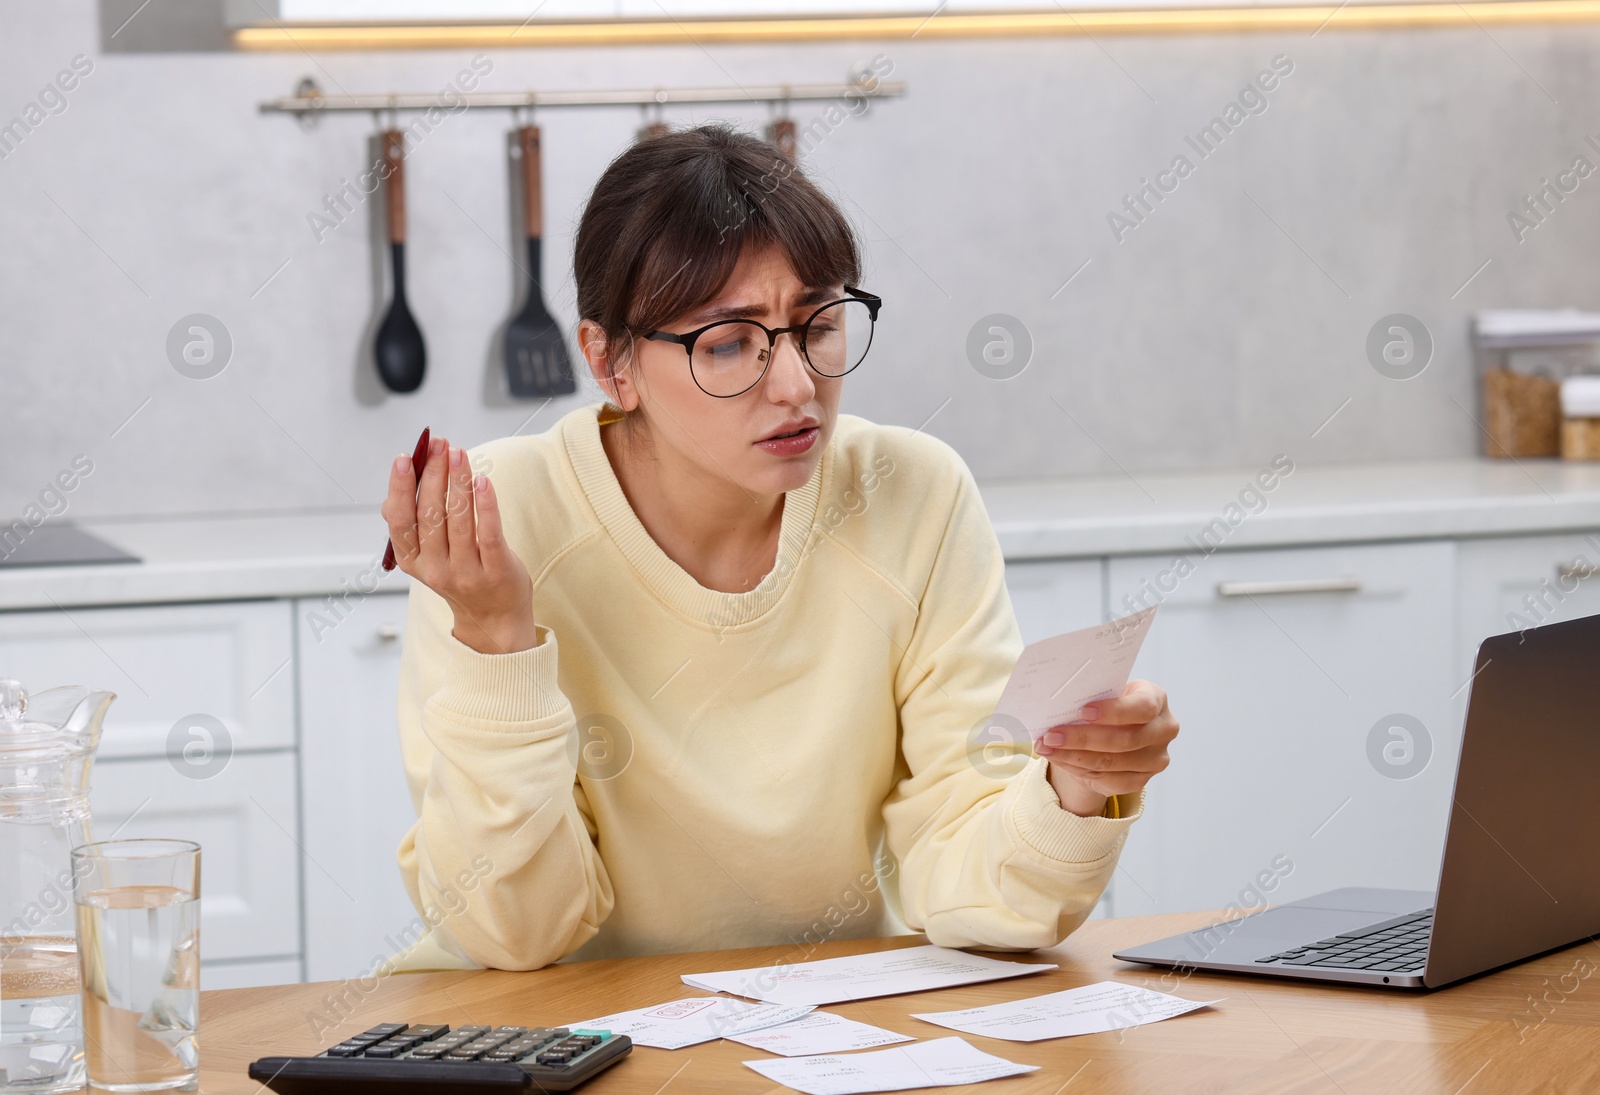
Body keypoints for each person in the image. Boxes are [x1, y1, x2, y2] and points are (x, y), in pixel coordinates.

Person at [381, 123, 1179, 972]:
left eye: (818, 324)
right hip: (548, 1042)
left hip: (819, 1028)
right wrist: (497, 638)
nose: (799, 387)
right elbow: (516, 934)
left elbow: (973, 884)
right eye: (728, 344)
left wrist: (1077, 788)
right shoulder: (497, 524)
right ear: (610, 364)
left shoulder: (912, 493)